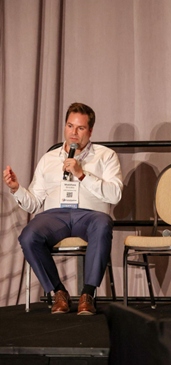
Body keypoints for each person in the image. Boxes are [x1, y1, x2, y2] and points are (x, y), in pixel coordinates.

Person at [3, 102, 123, 315]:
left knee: (103, 224)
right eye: (70, 126)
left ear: (91, 130)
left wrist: (82, 174)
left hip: (90, 215)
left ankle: (88, 294)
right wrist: (16, 189)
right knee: (29, 236)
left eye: (80, 128)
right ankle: (59, 292)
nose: (73, 133)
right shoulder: (48, 159)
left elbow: (115, 194)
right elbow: (33, 201)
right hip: (54, 215)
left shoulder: (106, 156)